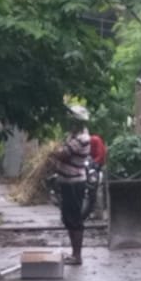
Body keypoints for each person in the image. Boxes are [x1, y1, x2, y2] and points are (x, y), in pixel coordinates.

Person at [50, 106, 92, 264]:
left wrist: (53, 152)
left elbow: (63, 154)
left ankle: (77, 255)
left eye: (72, 120)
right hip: (67, 181)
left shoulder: (82, 138)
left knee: (74, 218)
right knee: (68, 218)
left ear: (77, 122)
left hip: (74, 183)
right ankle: (74, 254)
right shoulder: (73, 136)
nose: (68, 122)